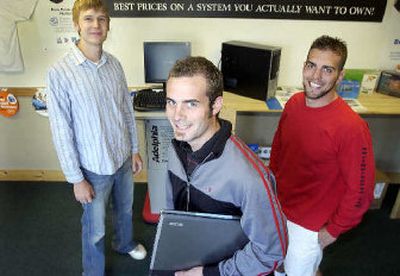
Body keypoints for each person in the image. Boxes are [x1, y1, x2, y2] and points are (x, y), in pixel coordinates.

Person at [46, 0, 146, 275]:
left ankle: (124, 243)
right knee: (95, 228)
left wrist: (134, 150)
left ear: (108, 25)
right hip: (93, 168)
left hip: (122, 158)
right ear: (76, 24)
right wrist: (76, 179)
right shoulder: (60, 72)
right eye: (88, 19)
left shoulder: (114, 65)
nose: (95, 25)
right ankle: (93, 271)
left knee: (125, 211)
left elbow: (126, 110)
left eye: (102, 19)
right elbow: (61, 130)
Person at [164, 56, 287, 276]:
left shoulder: (250, 178)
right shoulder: (176, 146)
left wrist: (210, 273)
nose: (176, 116)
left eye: (191, 104)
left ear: (216, 105)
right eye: (171, 102)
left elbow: (271, 253)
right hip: (185, 260)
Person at [270, 35, 375, 276]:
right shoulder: (295, 103)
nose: (315, 77)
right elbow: (279, 149)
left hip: (310, 226)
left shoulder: (352, 127)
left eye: (327, 69)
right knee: (276, 267)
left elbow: (361, 193)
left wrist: (332, 232)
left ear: (340, 76)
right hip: (279, 208)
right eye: (311, 66)